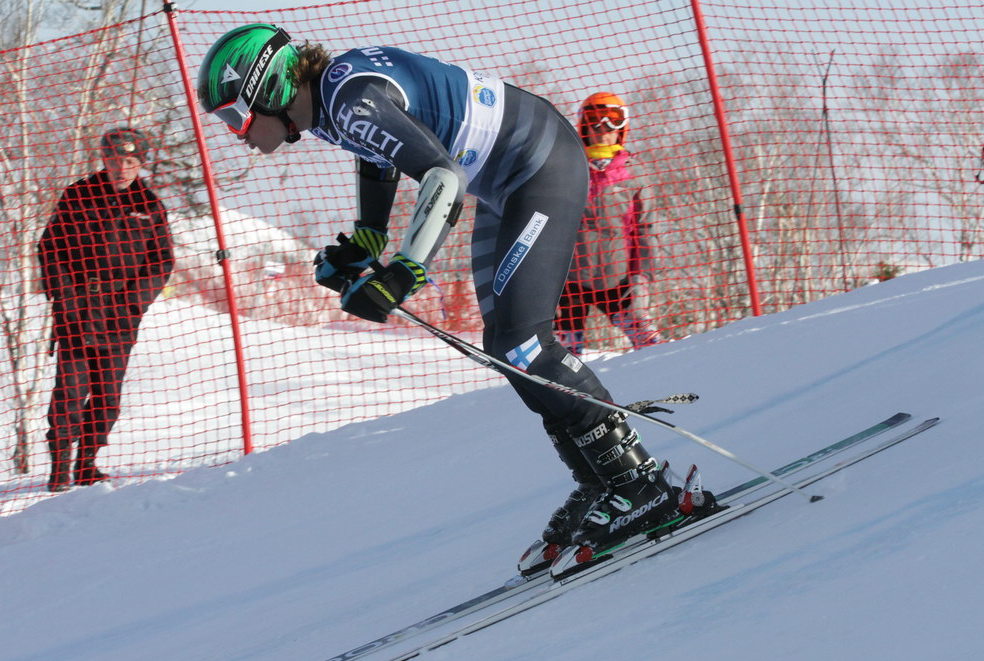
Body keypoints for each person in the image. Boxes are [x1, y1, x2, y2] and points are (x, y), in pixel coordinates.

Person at [196, 25, 680, 555]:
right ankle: (602, 480)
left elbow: (442, 177)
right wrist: (364, 245)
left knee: (525, 343)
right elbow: (379, 160)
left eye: (232, 115)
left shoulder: (348, 98)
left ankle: (639, 483)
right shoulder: (333, 106)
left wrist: (404, 273)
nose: (236, 132)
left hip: (538, 166)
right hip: (506, 181)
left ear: (269, 90)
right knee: (507, 349)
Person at [38, 128, 174, 492]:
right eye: (115, 160)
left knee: (108, 398)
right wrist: (63, 299)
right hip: (76, 311)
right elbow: (49, 250)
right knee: (69, 392)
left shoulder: (150, 207)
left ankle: (87, 465)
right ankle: (59, 470)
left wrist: (134, 304)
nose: (122, 169)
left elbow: (161, 263)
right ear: (103, 160)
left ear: (140, 165)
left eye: (130, 162)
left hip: (119, 315)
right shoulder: (77, 196)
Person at [556, 92, 664, 355]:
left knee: (652, 346)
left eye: (612, 122)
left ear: (622, 128)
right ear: (584, 125)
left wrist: (641, 283)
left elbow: (646, 233)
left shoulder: (635, 175)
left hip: (617, 282)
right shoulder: (564, 168)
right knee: (558, 359)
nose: (603, 129)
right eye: (594, 121)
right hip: (567, 283)